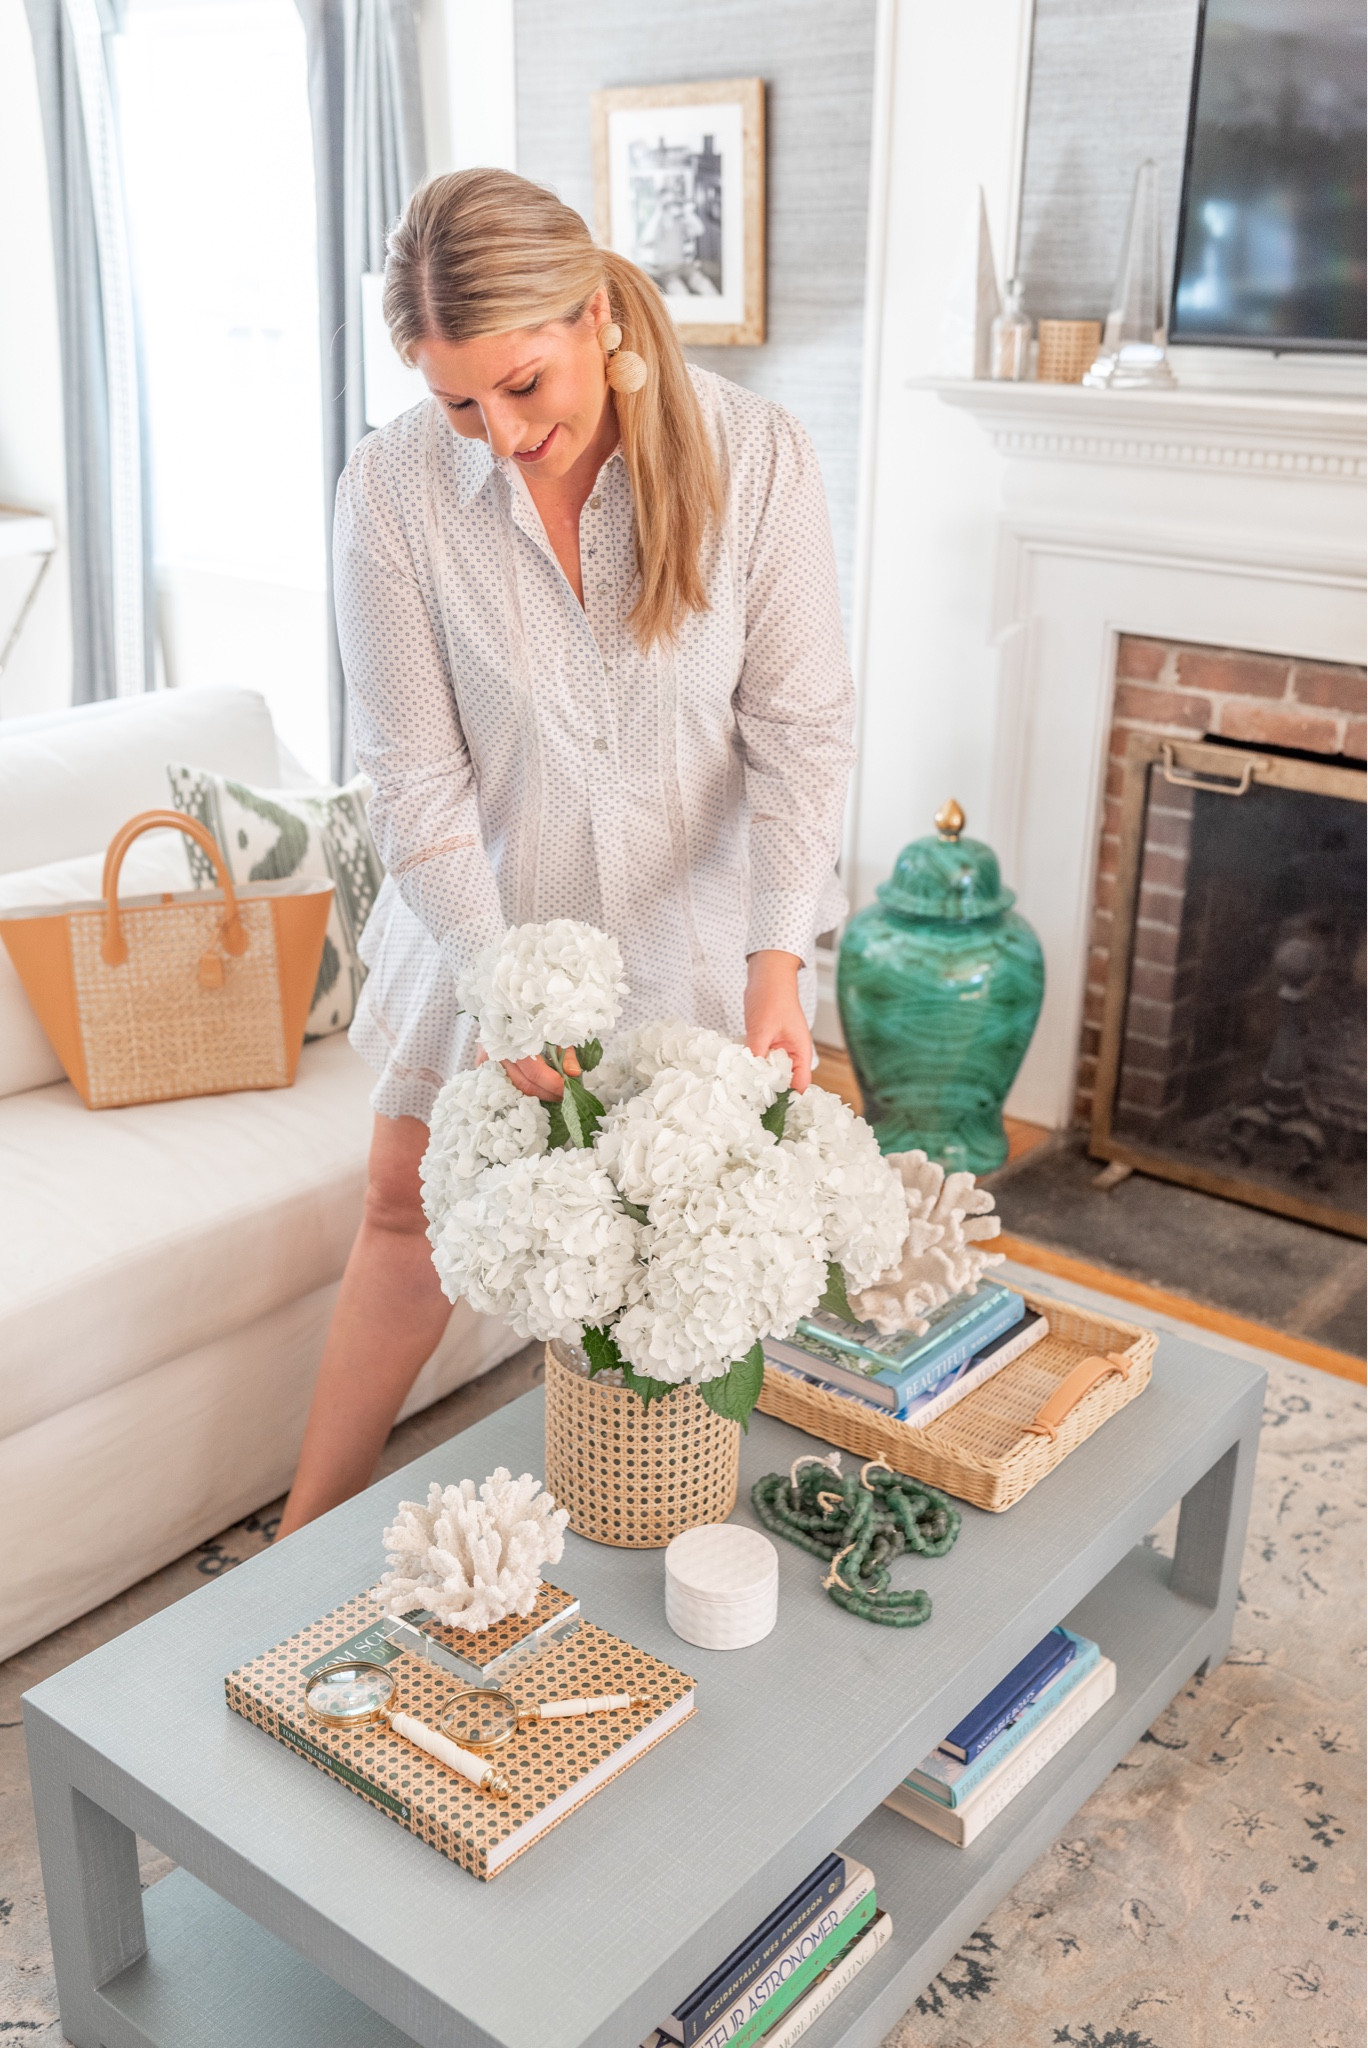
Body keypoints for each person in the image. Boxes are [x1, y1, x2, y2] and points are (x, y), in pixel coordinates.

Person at [276, 168, 854, 1535]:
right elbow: (413, 784)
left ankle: (654, 1515)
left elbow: (804, 734)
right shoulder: (395, 495)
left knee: (675, 1242)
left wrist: (782, 964)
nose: (499, 435)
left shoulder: (753, 458)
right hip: (482, 916)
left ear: (598, 314)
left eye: (523, 387)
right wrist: (503, 985)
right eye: (459, 403)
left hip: (694, 935)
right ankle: (298, 1535)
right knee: (402, 1217)